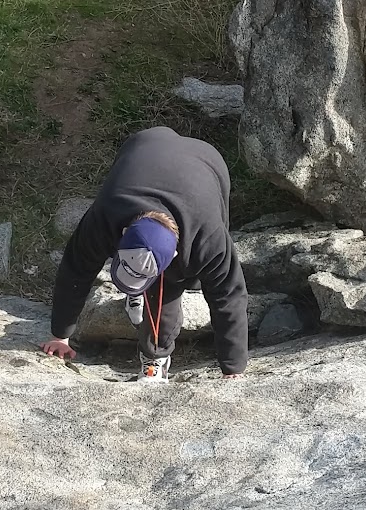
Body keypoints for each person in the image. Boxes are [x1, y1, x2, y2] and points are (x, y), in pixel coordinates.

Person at [40, 126, 249, 382]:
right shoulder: (107, 214)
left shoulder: (208, 238)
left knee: (172, 285)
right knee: (143, 274)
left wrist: (233, 367)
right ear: (124, 232)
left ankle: (155, 357)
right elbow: (76, 268)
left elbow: (228, 296)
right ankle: (137, 289)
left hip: (208, 164)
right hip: (145, 144)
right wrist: (60, 335)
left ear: (172, 256)